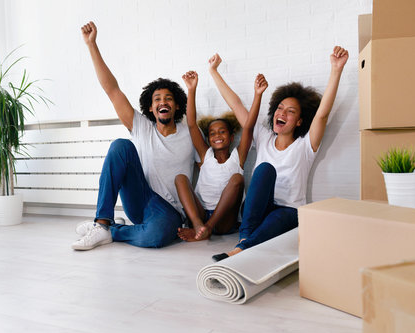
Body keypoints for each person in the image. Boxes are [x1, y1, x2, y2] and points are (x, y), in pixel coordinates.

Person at [210, 46, 349, 262]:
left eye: (290, 112)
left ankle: (240, 249)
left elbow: (322, 115)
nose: (282, 113)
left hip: (288, 211)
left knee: (279, 213)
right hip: (257, 208)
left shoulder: (305, 145)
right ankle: (245, 241)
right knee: (265, 169)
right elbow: (236, 104)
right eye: (280, 108)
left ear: (300, 121)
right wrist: (214, 72)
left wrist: (336, 70)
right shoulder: (263, 137)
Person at [72, 21, 195, 251]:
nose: (162, 102)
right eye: (157, 99)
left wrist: (201, 222)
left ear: (177, 106)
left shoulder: (190, 134)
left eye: (168, 98)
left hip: (169, 211)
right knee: (121, 146)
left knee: (155, 238)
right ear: (150, 108)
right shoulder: (141, 126)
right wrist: (92, 46)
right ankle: (101, 223)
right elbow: (112, 90)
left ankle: (111, 231)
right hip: (141, 199)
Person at [175, 70, 268, 241]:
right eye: (212, 133)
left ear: (231, 137)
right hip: (201, 214)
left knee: (237, 180)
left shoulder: (237, 157)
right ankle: (197, 226)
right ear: (208, 139)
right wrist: (191, 90)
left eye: (222, 132)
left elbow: (248, 127)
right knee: (180, 178)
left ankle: (206, 229)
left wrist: (258, 95)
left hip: (225, 220)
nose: (217, 136)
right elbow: (191, 125)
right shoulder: (206, 154)